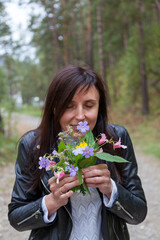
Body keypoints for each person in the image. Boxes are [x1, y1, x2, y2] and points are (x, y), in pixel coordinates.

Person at [8, 65, 147, 240]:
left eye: (89, 105)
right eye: (69, 106)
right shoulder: (33, 145)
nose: (80, 116)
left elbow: (139, 214)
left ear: (99, 107)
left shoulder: (116, 138)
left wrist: (110, 188)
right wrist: (53, 201)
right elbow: (16, 218)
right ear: (54, 108)